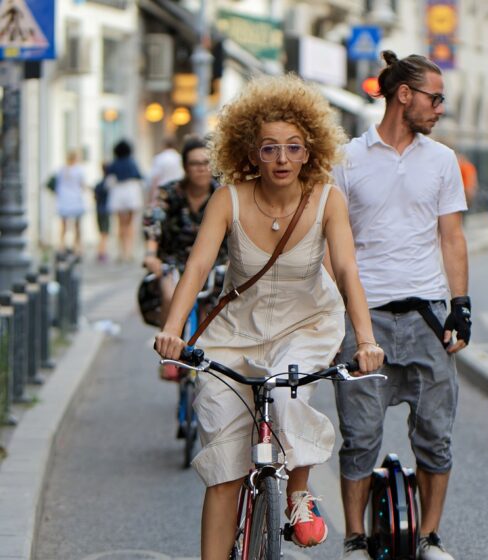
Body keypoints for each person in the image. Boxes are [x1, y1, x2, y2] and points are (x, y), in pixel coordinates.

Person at [153, 74, 384, 558]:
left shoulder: (327, 199)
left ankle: (297, 493)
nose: (282, 159)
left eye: (293, 147)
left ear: (309, 151)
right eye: (270, 148)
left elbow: (346, 270)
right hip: (234, 333)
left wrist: (365, 339)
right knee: (225, 467)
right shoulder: (229, 198)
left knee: (284, 393)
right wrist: (172, 331)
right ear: (250, 152)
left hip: (306, 325)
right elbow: (197, 267)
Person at [332, 51, 470, 560]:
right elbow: (333, 245)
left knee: (436, 435)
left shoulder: (442, 160)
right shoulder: (346, 158)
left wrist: (461, 306)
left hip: (426, 317)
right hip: (365, 319)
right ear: (404, 95)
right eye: (435, 98)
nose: (440, 108)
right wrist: (336, 310)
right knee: (360, 436)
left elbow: (452, 238)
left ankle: (430, 537)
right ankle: (354, 540)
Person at [143, 136, 227, 381]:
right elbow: (154, 222)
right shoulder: (169, 192)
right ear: (185, 167)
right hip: (175, 259)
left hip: (216, 262)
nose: (201, 168)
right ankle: (168, 348)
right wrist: (151, 254)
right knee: (170, 292)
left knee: (216, 306)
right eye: (194, 163)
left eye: (206, 163)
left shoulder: (222, 193)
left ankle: (209, 356)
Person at [106, 140, 144, 262]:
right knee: (130, 224)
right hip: (131, 193)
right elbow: (140, 176)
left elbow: (109, 178)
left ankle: (121, 251)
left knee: (120, 224)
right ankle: (129, 251)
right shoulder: (132, 162)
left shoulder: (114, 163)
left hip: (118, 194)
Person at [54, 150, 86, 256]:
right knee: (77, 225)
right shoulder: (78, 170)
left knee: (64, 225)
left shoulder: (62, 170)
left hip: (64, 200)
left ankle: (62, 246)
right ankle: (76, 247)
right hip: (75, 199)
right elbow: (82, 185)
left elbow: (57, 186)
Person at [148, 137, 184, 203]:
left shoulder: (159, 158)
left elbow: (155, 179)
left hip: (162, 193)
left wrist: (151, 198)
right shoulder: (179, 158)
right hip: (176, 192)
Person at [94, 163, 111, 262]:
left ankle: (101, 251)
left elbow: (95, 197)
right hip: (105, 210)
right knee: (104, 233)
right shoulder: (108, 184)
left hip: (99, 209)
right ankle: (102, 252)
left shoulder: (98, 184)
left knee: (101, 232)